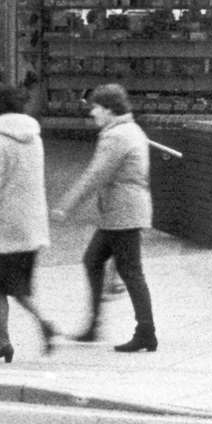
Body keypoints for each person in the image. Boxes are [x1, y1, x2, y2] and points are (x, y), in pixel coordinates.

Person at [52, 83, 158, 353]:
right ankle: (95, 326)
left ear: (110, 110)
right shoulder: (129, 129)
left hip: (123, 213)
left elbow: (96, 175)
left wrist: (66, 206)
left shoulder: (116, 136)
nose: (92, 114)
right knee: (95, 260)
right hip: (121, 212)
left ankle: (145, 331)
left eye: (96, 108)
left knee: (130, 271)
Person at [0, 84, 57, 363]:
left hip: (5, 225)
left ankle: (17, 335)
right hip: (31, 223)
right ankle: (4, 340)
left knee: (4, 287)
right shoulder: (33, 136)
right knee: (13, 286)